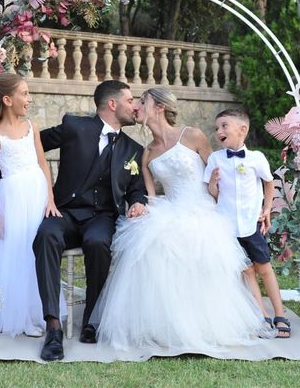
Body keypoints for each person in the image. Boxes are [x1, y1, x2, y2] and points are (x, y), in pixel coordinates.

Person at [90, 87, 270, 355]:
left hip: (203, 210)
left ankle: (208, 323)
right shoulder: (147, 153)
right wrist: (140, 207)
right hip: (171, 209)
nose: (137, 106)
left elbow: (222, 177)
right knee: (150, 243)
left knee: (193, 242)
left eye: (142, 101)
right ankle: (165, 325)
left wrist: (252, 206)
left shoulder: (192, 136)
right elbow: (150, 197)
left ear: (159, 107)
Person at [34, 80, 147, 361]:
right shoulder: (75, 127)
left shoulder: (133, 149)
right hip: (65, 212)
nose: (135, 106)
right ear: (112, 104)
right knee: (46, 235)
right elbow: (32, 143)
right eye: (130, 100)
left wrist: (138, 203)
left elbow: (137, 189)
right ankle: (53, 327)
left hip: (102, 217)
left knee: (98, 242)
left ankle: (92, 319)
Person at [0, 73, 64, 337]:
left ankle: (37, 312)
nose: (29, 98)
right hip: (11, 200)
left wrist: (50, 197)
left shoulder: (30, 127)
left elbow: (42, 164)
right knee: (15, 253)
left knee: (34, 251)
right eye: (24, 94)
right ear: (7, 99)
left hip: (36, 196)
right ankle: (13, 315)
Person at [205, 108, 291, 339]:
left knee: (263, 267)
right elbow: (212, 194)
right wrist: (213, 182)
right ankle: (262, 315)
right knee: (246, 270)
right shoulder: (215, 159)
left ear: (242, 130)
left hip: (251, 224)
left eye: (224, 126)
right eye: (216, 128)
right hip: (227, 227)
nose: (219, 131)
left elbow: (269, 183)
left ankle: (280, 313)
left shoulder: (256, 158)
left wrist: (267, 210)